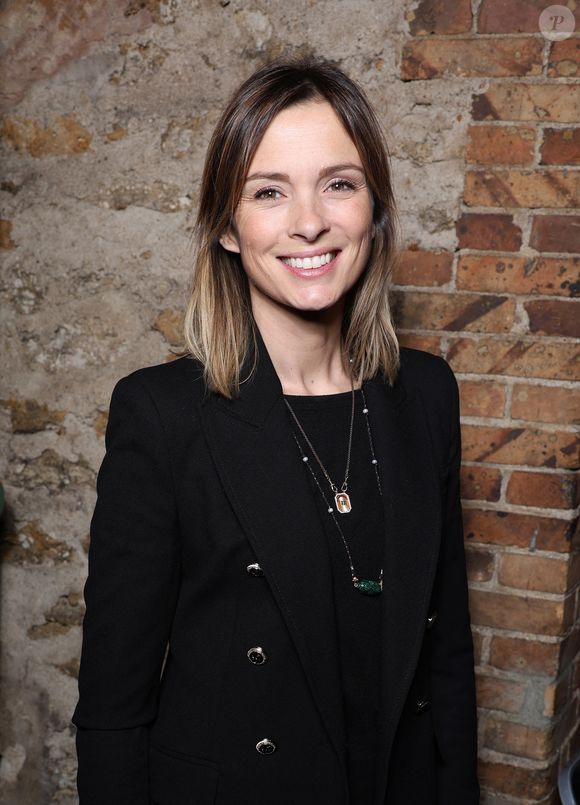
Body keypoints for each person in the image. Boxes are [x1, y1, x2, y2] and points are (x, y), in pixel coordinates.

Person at [72, 56, 480, 804]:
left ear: (373, 209)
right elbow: (113, 711)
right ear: (227, 227)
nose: (309, 222)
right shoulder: (161, 416)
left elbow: (446, 659)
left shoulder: (424, 395)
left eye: (339, 183)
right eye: (269, 192)